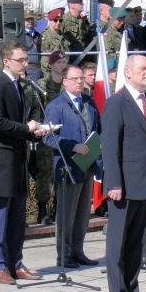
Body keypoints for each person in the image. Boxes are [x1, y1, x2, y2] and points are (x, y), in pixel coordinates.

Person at [0, 40, 50, 285]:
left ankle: (16, 263)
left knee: (18, 219)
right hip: (2, 162)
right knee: (0, 217)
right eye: (21, 60)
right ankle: (0, 267)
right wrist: (25, 128)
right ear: (6, 61)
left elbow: (20, 126)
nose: (25, 64)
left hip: (19, 160)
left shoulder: (20, 86)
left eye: (26, 59)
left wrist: (36, 132)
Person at [101, 54, 146, 292]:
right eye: (143, 68)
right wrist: (114, 183)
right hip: (123, 185)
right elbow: (110, 146)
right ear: (128, 73)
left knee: (137, 243)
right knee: (118, 245)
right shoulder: (117, 103)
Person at [43, 65, 101, 268]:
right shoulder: (56, 106)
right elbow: (48, 137)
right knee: (66, 215)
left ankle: (77, 251)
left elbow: (97, 129)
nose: (79, 82)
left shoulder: (89, 102)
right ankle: (64, 254)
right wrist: (72, 146)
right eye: (74, 79)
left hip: (87, 164)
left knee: (83, 213)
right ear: (65, 81)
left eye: (81, 78)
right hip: (68, 166)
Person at [34, 50, 68, 224]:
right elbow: (36, 109)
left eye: (64, 62)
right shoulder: (42, 85)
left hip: (64, 134)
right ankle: (42, 210)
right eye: (59, 62)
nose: (62, 65)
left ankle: (58, 209)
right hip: (47, 135)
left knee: (61, 172)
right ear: (50, 65)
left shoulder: (67, 84)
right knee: (45, 173)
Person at [41, 7, 70, 81]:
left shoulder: (64, 37)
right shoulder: (45, 37)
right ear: (50, 21)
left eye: (60, 20)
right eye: (55, 20)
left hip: (64, 72)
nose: (58, 22)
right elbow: (44, 59)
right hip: (51, 74)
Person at [24, 10, 43, 80]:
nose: (30, 21)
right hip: (27, 70)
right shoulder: (20, 36)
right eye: (27, 19)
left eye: (31, 19)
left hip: (39, 69)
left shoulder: (39, 35)